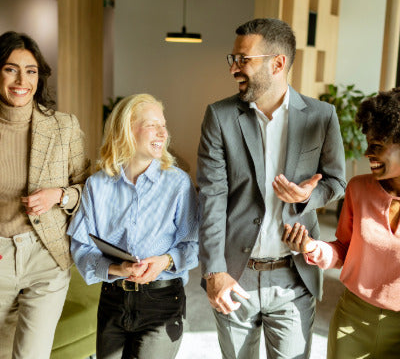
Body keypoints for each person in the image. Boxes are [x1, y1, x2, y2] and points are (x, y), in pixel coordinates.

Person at [197, 18, 346, 359]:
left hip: (294, 275)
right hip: (235, 275)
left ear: (278, 63)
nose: (234, 68)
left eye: (243, 59)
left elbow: (337, 182)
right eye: (232, 59)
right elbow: (211, 197)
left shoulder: (322, 115)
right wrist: (214, 272)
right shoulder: (219, 116)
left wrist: (310, 196)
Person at [68, 93, 199, 359]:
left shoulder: (178, 183)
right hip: (112, 299)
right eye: (152, 125)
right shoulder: (97, 185)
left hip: (163, 302)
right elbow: (81, 246)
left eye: (163, 125)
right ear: (127, 129)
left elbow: (194, 244)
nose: (162, 133)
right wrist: (117, 268)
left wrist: (164, 261)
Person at [282, 88, 400, 359]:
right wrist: (312, 247)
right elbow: (344, 251)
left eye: (378, 145)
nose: (367, 152)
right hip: (353, 319)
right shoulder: (358, 189)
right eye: (368, 142)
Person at [0, 31, 90, 359]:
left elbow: (88, 189)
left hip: (45, 256)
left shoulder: (63, 127)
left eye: (31, 70)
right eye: (11, 69)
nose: (21, 79)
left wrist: (59, 196)